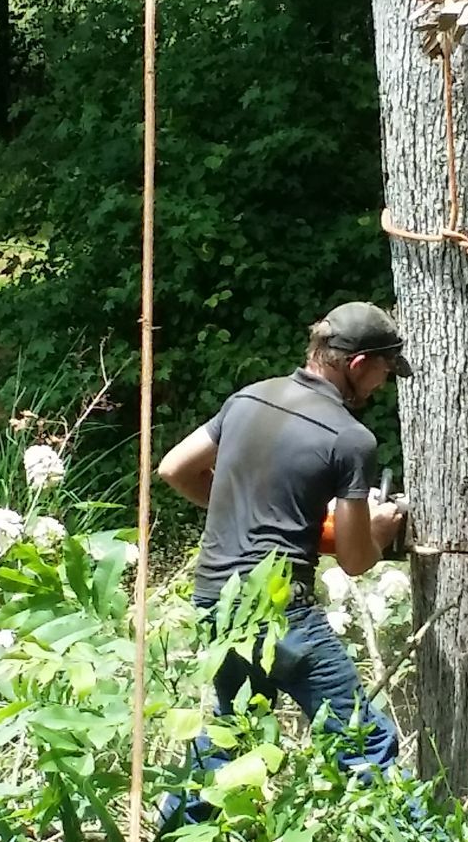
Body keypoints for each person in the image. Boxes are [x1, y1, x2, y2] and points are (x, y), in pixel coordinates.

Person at [156, 302, 410, 813]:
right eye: (384, 371)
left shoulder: (249, 399)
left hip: (214, 598)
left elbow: (175, 468)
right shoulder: (349, 439)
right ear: (358, 365)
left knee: (229, 742)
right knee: (364, 744)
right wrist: (380, 530)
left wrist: (249, 511)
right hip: (280, 614)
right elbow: (358, 561)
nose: (383, 383)